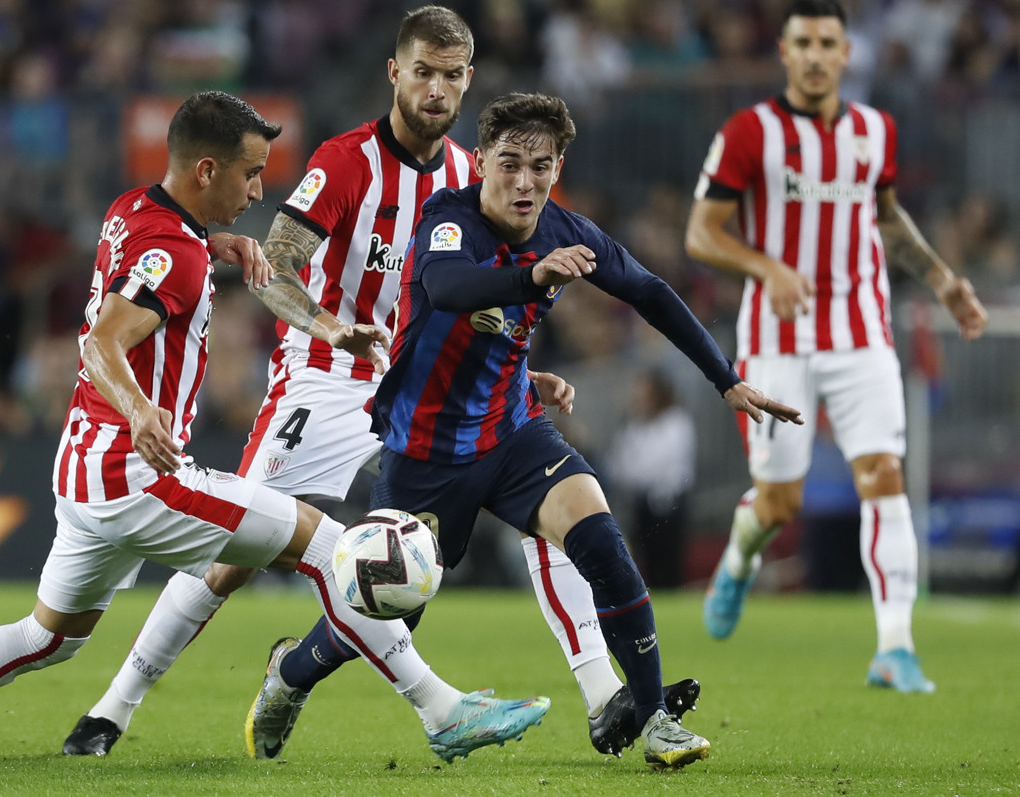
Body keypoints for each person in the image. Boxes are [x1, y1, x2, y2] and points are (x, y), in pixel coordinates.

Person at [0, 90, 550, 763]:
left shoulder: (133, 210)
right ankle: (442, 710)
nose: (260, 191)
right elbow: (103, 339)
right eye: (251, 173)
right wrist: (142, 411)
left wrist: (213, 244)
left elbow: (151, 265)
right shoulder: (177, 256)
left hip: (81, 471)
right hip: (141, 473)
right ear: (208, 169)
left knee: (45, 637)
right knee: (336, 549)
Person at [62, 5, 699, 763]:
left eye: (451, 75)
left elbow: (458, 303)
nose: (435, 89)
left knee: (543, 507)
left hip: (420, 386)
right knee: (235, 555)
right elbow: (278, 266)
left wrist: (519, 370)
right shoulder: (344, 161)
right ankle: (113, 708)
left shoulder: (473, 174)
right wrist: (329, 326)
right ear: (394, 72)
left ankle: (601, 693)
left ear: (468, 83)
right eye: (422, 71)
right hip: (323, 380)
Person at [253, 91, 805, 770]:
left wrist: (727, 380)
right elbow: (450, 286)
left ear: (557, 166)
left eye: (539, 166)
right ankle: (291, 672)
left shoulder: (569, 231)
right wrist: (531, 275)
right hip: (425, 449)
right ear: (480, 159)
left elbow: (652, 292)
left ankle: (653, 715)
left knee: (601, 537)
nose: (523, 181)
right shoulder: (447, 218)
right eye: (508, 163)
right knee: (389, 610)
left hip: (513, 433)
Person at [686, 0, 988, 693]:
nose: (817, 54)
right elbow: (701, 233)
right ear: (785, 54)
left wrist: (943, 280)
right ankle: (738, 560)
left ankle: (895, 646)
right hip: (775, 341)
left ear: (847, 53)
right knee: (780, 503)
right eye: (804, 43)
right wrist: (767, 267)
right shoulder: (747, 133)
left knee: (884, 474)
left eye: (829, 42)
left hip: (861, 333)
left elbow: (882, 213)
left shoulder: (874, 130)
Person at [605, 368, 696, 589]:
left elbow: (673, 463)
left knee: (668, 558)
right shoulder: (633, 427)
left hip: (670, 501)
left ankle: (672, 593)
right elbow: (619, 465)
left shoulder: (675, 422)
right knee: (644, 557)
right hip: (641, 500)